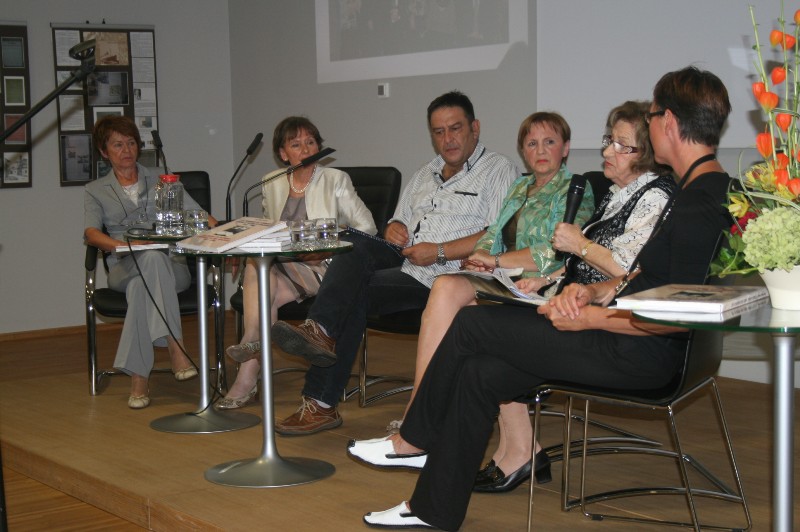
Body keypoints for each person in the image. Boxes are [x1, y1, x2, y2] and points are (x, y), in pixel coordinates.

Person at [350, 66, 733, 531]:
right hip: (621, 332)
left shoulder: (698, 201)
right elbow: (645, 277)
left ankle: (414, 439)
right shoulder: (700, 190)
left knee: (471, 325)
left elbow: (675, 315)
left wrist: (589, 318)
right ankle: (433, 509)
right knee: (479, 372)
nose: (650, 128)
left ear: (668, 121)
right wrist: (591, 291)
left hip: (639, 350)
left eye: (652, 117)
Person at [267, 90, 519, 435]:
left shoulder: (499, 169)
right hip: (406, 260)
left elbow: (496, 236)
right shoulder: (425, 173)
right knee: (350, 239)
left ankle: (320, 398)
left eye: (455, 128)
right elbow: (396, 224)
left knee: (352, 293)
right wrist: (394, 227)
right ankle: (319, 333)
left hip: (448, 274)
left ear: (474, 128)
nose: (447, 138)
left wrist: (439, 251)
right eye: (439, 131)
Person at [473, 100, 676, 493]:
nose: (607, 151)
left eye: (620, 145)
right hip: (573, 303)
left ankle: (497, 449)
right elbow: (581, 264)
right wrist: (546, 279)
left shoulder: (654, 197)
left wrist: (579, 245)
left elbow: (629, 272)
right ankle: (515, 451)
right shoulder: (619, 193)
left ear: (646, 152)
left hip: (605, 325)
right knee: (485, 330)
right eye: (609, 140)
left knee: (480, 331)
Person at [384, 111, 596, 435]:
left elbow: (555, 253)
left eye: (549, 142)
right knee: (445, 286)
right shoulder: (521, 185)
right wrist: (478, 257)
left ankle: (426, 418)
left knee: (459, 308)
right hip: (505, 279)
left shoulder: (576, 188)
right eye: (531, 144)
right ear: (522, 150)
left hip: (544, 285)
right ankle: (421, 411)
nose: (540, 151)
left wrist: (495, 261)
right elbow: (493, 232)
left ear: (565, 148)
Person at [215, 116, 377, 409]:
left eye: (310, 142)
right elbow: (269, 230)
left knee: (260, 276)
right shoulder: (272, 183)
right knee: (258, 267)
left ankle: (247, 366)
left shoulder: (335, 179)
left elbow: (367, 228)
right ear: (283, 153)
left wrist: (325, 244)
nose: (305, 149)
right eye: (296, 144)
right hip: (284, 267)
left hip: (327, 267)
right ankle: (252, 350)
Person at [84, 116, 218, 409]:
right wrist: (122, 246)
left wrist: (224, 234)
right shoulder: (95, 190)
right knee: (146, 267)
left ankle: (139, 379)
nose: (126, 150)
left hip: (172, 267)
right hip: (123, 266)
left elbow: (199, 215)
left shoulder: (162, 177)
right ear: (104, 152)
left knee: (144, 282)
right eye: (118, 145)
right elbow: (91, 233)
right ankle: (175, 347)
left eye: (131, 142)